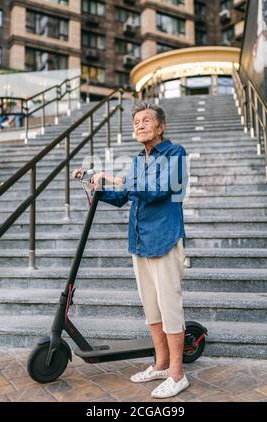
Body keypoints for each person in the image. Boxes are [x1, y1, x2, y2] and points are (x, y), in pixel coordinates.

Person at [72, 101, 189, 399]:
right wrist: (92, 182)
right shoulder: (138, 160)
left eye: (146, 120)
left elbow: (159, 189)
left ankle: (177, 374)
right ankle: (161, 364)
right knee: (151, 307)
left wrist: (113, 177)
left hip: (164, 238)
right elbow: (124, 195)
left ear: (161, 127)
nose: (139, 125)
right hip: (139, 241)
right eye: (136, 121)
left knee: (170, 308)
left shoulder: (175, 154)